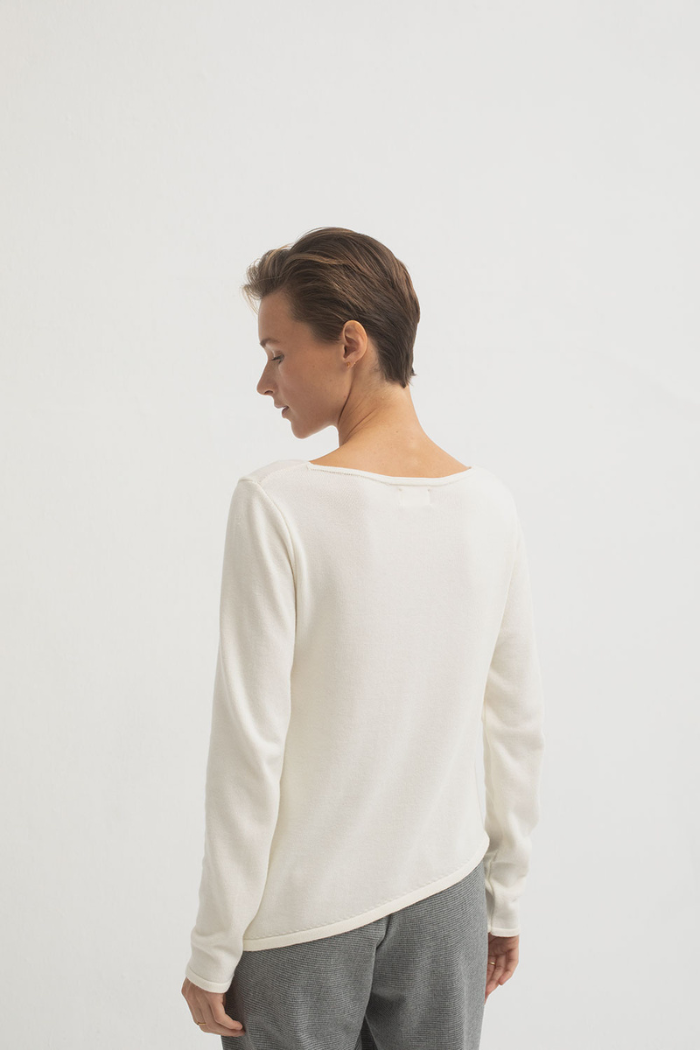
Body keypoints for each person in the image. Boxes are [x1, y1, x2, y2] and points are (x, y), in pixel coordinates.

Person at [181, 227, 546, 1049]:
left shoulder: (277, 504)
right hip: (447, 899)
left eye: (278, 353)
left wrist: (215, 943)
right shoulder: (490, 507)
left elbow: (250, 748)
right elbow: (517, 727)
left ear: (350, 343)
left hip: (302, 916)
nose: (265, 381)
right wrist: (503, 899)